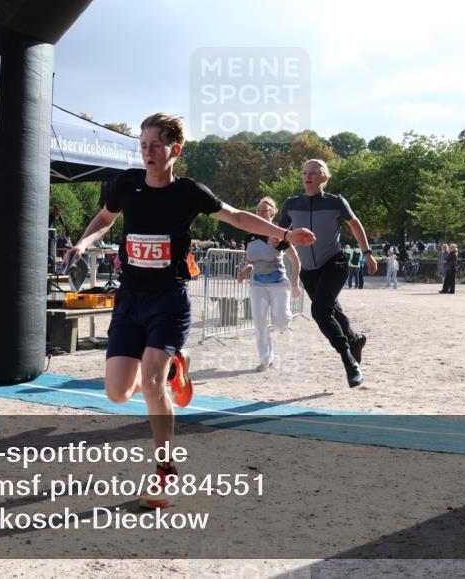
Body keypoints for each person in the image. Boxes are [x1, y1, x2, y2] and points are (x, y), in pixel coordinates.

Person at [62, 113, 314, 509]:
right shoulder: (126, 184)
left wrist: (282, 234)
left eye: (155, 146)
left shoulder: (189, 192)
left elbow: (235, 216)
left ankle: (165, 472)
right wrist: (83, 241)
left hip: (168, 301)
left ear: (174, 150)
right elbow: (105, 218)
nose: (147, 152)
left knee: (151, 383)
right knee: (116, 393)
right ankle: (177, 365)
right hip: (130, 301)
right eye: (143, 145)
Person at [276, 159, 377, 388]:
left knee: (320, 311)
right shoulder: (291, 203)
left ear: (325, 178)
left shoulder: (336, 202)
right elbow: (283, 235)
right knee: (331, 309)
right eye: (304, 172)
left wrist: (367, 253)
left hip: (334, 262)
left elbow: (354, 224)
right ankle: (355, 340)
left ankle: (349, 361)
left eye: (314, 172)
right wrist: (278, 242)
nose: (307, 176)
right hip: (308, 271)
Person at [236, 197, 303, 372]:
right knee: (259, 322)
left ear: (272, 213)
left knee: (281, 323)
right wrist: (245, 270)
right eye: (257, 210)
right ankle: (266, 360)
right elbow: (250, 260)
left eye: (264, 210)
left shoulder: (279, 235)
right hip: (257, 283)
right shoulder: (249, 235)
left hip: (278, 283)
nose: (259, 213)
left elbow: (295, 260)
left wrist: (295, 284)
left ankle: (280, 321)